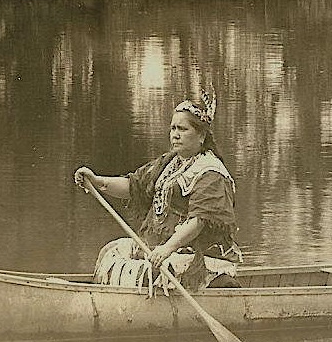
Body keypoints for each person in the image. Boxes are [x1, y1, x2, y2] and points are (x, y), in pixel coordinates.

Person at [74, 91, 242, 290]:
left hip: (195, 256)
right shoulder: (169, 162)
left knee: (146, 274)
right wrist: (98, 181)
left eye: (182, 129)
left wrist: (166, 249)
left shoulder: (212, 173)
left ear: (201, 136)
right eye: (172, 128)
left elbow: (199, 221)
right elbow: (133, 186)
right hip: (157, 248)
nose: (175, 135)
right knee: (112, 254)